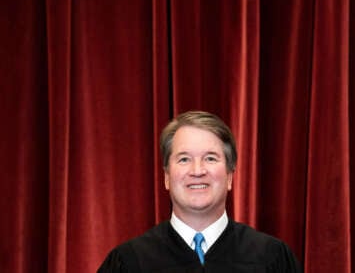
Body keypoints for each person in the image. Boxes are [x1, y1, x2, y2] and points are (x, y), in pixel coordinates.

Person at [98, 110, 302, 272]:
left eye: (210, 158)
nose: (197, 171)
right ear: (167, 177)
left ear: (230, 176)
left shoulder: (272, 259)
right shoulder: (129, 262)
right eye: (184, 159)